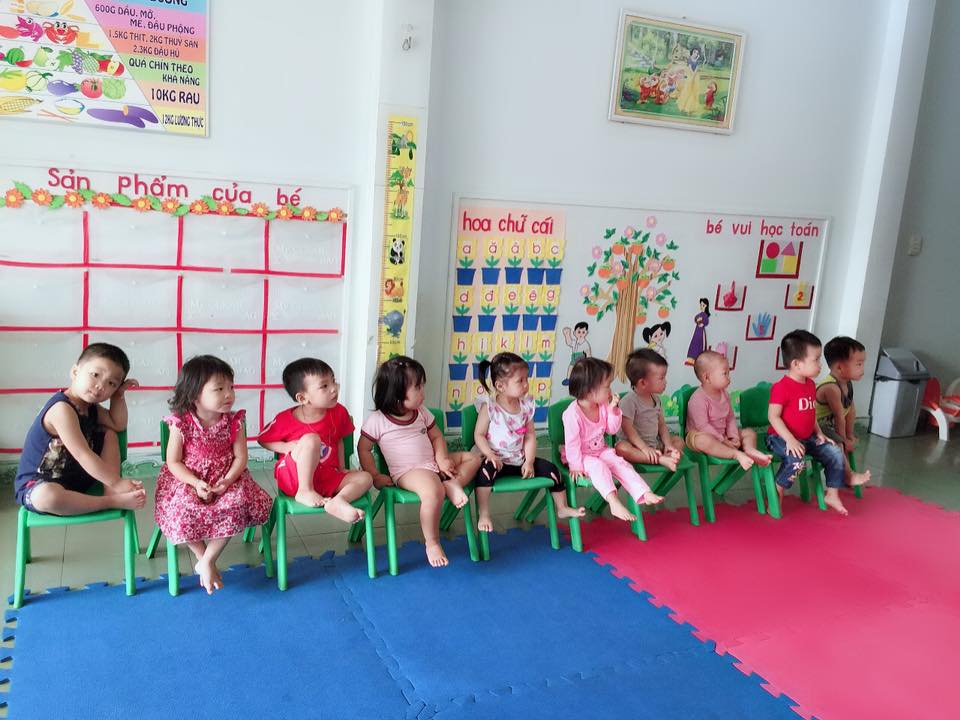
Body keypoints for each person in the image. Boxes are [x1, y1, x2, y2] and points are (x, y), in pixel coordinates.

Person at [154, 355, 272, 594]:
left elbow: (241, 458)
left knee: (236, 504)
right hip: (188, 478)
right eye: (219, 389)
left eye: (231, 387)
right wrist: (196, 482)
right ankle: (203, 558)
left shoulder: (234, 421)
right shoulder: (181, 423)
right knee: (181, 509)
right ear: (194, 394)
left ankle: (207, 561)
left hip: (227, 477)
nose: (229, 394)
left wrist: (226, 481)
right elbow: (173, 462)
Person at [358, 356, 481, 568]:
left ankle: (452, 483)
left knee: (473, 458)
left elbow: (437, 437)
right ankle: (432, 542)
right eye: (418, 388)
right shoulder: (377, 420)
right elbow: (364, 449)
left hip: (433, 463)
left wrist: (442, 459)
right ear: (396, 394)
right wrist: (375, 475)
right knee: (432, 492)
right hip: (409, 471)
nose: (423, 392)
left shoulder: (421, 412)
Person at [14, 342, 146, 516]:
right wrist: (117, 481)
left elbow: (117, 423)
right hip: (41, 483)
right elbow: (82, 454)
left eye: (111, 383)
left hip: (76, 477)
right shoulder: (61, 409)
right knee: (48, 497)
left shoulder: (89, 407)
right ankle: (110, 501)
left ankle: (111, 491)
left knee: (110, 434)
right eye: (95, 375)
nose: (100, 386)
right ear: (75, 372)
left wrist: (118, 396)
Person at [472, 352, 584, 532]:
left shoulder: (525, 406)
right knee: (483, 474)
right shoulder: (490, 407)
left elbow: (530, 435)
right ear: (500, 386)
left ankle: (562, 507)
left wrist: (529, 461)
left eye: (527, 379)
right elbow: (479, 435)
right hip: (496, 461)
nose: (526, 384)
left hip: (520, 461)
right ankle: (484, 513)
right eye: (520, 381)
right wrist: (490, 455)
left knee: (553, 472)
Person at [767, 331, 869, 516]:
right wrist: (790, 440)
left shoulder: (810, 385)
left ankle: (832, 494)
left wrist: (820, 433)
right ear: (796, 364)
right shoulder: (781, 387)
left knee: (835, 452)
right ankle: (777, 490)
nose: (820, 365)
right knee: (796, 461)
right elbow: (773, 417)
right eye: (815, 360)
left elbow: (811, 413)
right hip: (780, 438)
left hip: (807, 438)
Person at [258, 357, 372, 523]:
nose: (334, 388)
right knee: (311, 440)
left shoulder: (339, 412)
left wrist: (342, 468)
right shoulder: (285, 419)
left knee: (366, 478)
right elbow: (263, 439)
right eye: (324, 386)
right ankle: (305, 490)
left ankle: (339, 501)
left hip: (326, 477)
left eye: (333, 381)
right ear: (303, 398)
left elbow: (338, 440)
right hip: (295, 478)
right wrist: (286, 447)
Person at [562, 357, 663, 523]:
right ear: (590, 391)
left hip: (601, 451)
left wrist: (613, 411)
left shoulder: (602, 406)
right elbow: (572, 444)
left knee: (620, 463)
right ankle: (614, 502)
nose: (610, 391)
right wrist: (575, 466)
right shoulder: (572, 414)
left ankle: (644, 492)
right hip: (582, 456)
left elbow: (612, 429)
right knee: (598, 466)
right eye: (607, 386)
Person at [686, 351, 771, 470]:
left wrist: (733, 436)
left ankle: (750, 450)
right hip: (702, 434)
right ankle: (736, 454)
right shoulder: (698, 399)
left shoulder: (724, 394)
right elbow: (703, 426)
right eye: (724, 373)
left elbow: (730, 417)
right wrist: (723, 440)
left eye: (728, 373)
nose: (728, 378)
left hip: (723, 434)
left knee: (749, 432)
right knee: (702, 441)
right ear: (707, 377)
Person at [615, 349, 685, 472]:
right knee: (621, 448)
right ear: (643, 383)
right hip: (635, 447)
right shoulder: (629, 401)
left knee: (678, 440)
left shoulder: (656, 400)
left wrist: (668, 444)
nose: (665, 382)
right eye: (661, 378)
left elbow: (662, 426)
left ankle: (670, 455)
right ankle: (660, 459)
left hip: (654, 444)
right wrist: (644, 449)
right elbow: (628, 431)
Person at [816, 336, 872, 486]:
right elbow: (839, 417)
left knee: (845, 441)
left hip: (830, 426)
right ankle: (848, 475)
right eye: (858, 364)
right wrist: (844, 440)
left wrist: (850, 435)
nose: (863, 369)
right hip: (816, 426)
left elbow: (850, 411)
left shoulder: (847, 383)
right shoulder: (831, 388)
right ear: (840, 367)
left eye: (863, 364)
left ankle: (841, 470)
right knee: (839, 444)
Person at [684, 298, 710, 365]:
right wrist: (698, 320)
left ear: (706, 306)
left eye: (703, 305)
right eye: (701, 305)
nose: (701, 306)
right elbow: (696, 318)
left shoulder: (705, 315)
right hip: (697, 330)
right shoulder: (699, 314)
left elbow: (706, 321)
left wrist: (702, 322)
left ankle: (698, 358)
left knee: (700, 343)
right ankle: (692, 357)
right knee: (694, 342)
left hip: (701, 331)